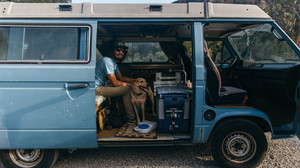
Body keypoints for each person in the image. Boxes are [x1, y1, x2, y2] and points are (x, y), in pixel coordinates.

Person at [95, 41, 136, 124]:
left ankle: (123, 114)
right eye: (118, 50)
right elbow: (115, 82)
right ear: (113, 51)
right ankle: (131, 119)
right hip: (96, 89)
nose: (120, 52)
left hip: (102, 86)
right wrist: (131, 85)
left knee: (122, 89)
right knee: (126, 90)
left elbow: (121, 77)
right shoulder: (107, 61)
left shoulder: (114, 64)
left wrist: (135, 80)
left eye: (123, 51)